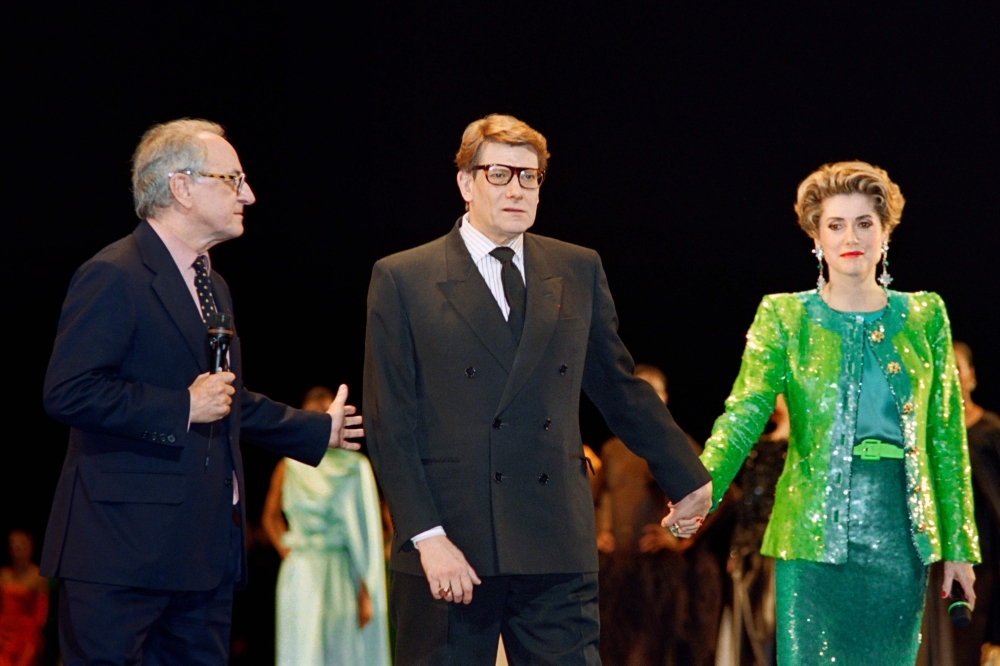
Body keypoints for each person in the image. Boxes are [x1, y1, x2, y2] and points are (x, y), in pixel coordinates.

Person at [363, 113, 712, 665]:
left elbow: (618, 385)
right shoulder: (404, 277)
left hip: (555, 534)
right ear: (465, 182)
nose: (518, 189)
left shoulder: (576, 268)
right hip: (452, 539)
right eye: (500, 174)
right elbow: (391, 422)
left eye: (531, 176)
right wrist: (426, 538)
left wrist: (684, 474)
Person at [40, 119, 363, 665]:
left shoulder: (212, 284)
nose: (250, 194)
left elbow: (225, 398)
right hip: (120, 554)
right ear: (182, 187)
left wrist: (315, 430)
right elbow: (69, 391)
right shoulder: (114, 273)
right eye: (233, 179)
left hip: (202, 554)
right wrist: (181, 405)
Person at [699, 161, 980, 665]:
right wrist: (700, 485)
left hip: (900, 535)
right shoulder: (783, 315)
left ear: (885, 232)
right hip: (810, 538)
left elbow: (945, 437)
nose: (851, 236)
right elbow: (744, 412)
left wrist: (959, 545)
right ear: (816, 237)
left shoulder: (925, 314)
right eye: (836, 224)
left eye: (865, 223)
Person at [596, 365, 725, 666]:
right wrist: (599, 531)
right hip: (617, 572)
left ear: (663, 399)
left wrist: (678, 538)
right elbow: (598, 495)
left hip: (656, 575)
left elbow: (720, 494)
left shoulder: (674, 447)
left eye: (650, 393)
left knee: (649, 654)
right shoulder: (613, 449)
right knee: (610, 652)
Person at [262, 386, 391, 666]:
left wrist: (366, 590)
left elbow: (368, 535)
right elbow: (269, 516)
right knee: (304, 651)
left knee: (340, 651)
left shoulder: (354, 467)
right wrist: (290, 550)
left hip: (340, 570)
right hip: (304, 570)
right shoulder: (291, 464)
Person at [919, 341, 1000, 666]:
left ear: (971, 377)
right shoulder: (925, 435)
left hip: (982, 562)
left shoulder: (990, 431)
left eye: (957, 369)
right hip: (934, 561)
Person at [0, 531, 48, 666]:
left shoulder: (37, 577)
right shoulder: (3, 574)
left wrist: (31, 633)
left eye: (21, 545)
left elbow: (41, 611)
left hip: (25, 635)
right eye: (13, 545)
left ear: (30, 548)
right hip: (3, 632)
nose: (16, 548)